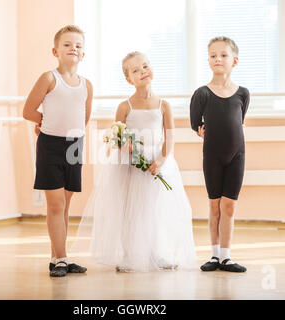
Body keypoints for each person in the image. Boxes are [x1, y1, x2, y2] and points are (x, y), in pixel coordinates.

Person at [74, 51, 196, 272]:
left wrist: (160, 160)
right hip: (129, 163)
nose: (143, 72)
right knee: (131, 208)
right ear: (128, 79)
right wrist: (125, 146)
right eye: (136, 70)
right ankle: (131, 255)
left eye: (146, 66)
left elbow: (170, 136)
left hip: (156, 164)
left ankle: (157, 254)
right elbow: (117, 135)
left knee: (154, 209)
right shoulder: (124, 106)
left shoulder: (164, 105)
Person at [23, 25, 93, 277]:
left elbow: (83, 117)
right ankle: (62, 258)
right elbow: (28, 110)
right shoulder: (49, 78)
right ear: (55, 51)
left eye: (78, 45)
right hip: (50, 146)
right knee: (54, 204)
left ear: (83, 54)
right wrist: (44, 123)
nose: (73, 48)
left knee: (64, 205)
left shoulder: (87, 85)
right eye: (67, 44)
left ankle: (57, 258)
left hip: (75, 145)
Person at [190, 36, 249, 272]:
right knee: (214, 205)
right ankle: (214, 255)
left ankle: (226, 256)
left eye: (223, 55)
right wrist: (204, 132)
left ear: (234, 61)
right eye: (213, 55)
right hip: (212, 155)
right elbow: (197, 125)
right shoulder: (202, 93)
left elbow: (239, 120)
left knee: (229, 206)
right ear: (208, 60)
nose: (218, 59)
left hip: (237, 155)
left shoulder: (242, 93)